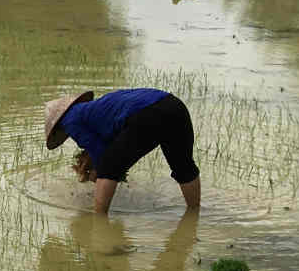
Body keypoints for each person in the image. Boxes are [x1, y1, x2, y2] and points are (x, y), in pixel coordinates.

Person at [43, 88, 201, 216]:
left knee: (108, 168)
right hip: (174, 106)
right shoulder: (97, 110)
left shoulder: (69, 120)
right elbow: (115, 143)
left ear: (58, 126)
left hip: (148, 113)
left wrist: (97, 174)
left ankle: (99, 222)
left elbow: (99, 151)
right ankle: (194, 215)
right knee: (184, 167)